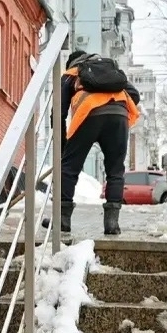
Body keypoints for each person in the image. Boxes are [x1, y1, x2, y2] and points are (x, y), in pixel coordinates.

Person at [54, 50, 141, 235]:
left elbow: (58, 111)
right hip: (119, 115)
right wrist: (113, 104)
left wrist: (62, 145)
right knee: (115, 170)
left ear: (72, 63)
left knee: (69, 168)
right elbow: (134, 94)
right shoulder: (110, 71)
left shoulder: (71, 74)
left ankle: (62, 221)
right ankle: (111, 224)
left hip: (88, 114)